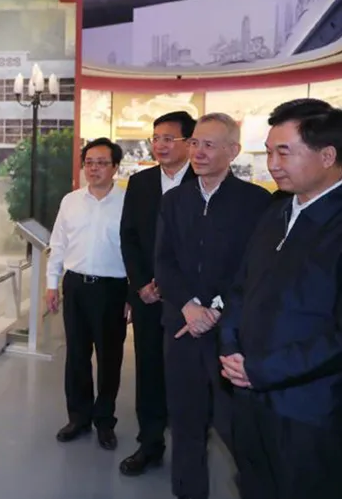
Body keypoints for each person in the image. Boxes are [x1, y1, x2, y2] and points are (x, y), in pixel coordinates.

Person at [219, 99, 342, 499]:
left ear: (327, 156)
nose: (272, 164)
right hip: (248, 395)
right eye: (269, 152)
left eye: (284, 152)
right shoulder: (276, 213)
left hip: (310, 411)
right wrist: (231, 347)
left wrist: (263, 370)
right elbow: (241, 287)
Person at [155, 113, 271, 499]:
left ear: (232, 151)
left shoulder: (257, 202)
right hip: (181, 327)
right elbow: (164, 261)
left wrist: (216, 310)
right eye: (195, 143)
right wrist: (189, 306)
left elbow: (253, 266)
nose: (198, 152)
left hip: (230, 334)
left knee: (235, 427)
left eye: (209, 145)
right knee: (185, 423)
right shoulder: (174, 200)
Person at [118, 111, 197, 477]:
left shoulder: (204, 180)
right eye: (156, 138)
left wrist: (171, 284)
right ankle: (149, 444)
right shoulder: (141, 182)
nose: (160, 145)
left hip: (190, 301)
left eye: (168, 138)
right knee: (148, 371)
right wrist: (140, 284)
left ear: (189, 142)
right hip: (147, 297)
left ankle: (190, 453)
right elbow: (129, 236)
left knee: (188, 376)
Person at [47, 138, 128, 452]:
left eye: (102, 163)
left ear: (115, 167)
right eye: (89, 163)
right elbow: (58, 244)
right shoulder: (71, 201)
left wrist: (132, 295)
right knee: (77, 356)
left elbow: (135, 252)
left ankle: (104, 421)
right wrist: (52, 284)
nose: (94, 169)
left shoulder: (127, 202)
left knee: (110, 358)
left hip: (112, 289)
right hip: (76, 286)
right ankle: (78, 418)